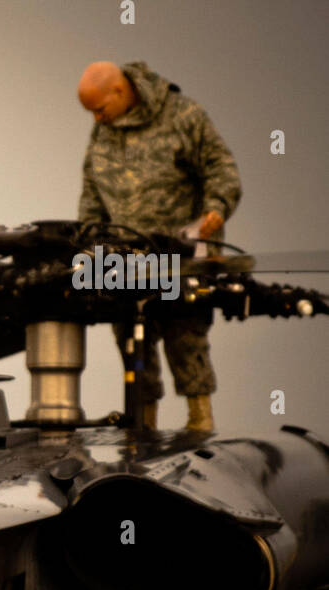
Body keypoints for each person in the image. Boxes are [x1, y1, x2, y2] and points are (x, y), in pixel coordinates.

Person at [76, 60, 242, 431]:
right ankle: (142, 425)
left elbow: (222, 170)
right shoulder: (103, 131)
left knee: (185, 335)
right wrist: (87, 241)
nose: (97, 119)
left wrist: (215, 212)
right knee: (131, 338)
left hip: (179, 257)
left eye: (100, 109)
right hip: (123, 262)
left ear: (119, 91)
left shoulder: (183, 116)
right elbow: (91, 194)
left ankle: (200, 422)